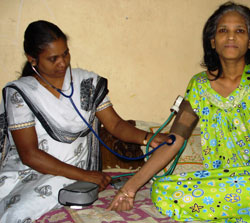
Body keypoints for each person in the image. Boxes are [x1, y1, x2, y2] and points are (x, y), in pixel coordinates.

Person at [108, 2, 250, 222]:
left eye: (239, 30)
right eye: (223, 31)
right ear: (212, 41)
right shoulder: (198, 86)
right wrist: (130, 188)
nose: (230, 36)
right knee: (161, 191)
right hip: (222, 180)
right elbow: (175, 140)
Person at [0, 20, 169, 223]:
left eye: (65, 54)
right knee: (17, 213)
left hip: (75, 176)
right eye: (53, 59)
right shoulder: (20, 93)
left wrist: (149, 138)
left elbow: (115, 125)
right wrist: (86, 176)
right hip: (30, 173)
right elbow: (29, 155)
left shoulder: (86, 83)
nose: (63, 63)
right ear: (32, 60)